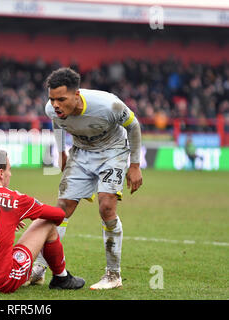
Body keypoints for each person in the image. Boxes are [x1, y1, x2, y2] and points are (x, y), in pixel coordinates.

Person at [29, 67, 143, 290]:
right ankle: (39, 268)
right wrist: (61, 152)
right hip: (81, 153)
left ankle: (113, 275)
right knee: (61, 209)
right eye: (52, 99)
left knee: (107, 207)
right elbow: (57, 124)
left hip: (113, 151)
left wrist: (135, 165)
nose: (55, 105)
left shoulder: (109, 105)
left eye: (61, 99)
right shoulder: (52, 109)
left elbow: (134, 126)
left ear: (77, 94)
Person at [0, 148, 85, 293]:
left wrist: (7, 221)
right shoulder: (16, 199)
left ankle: (52, 275)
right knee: (46, 222)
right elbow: (58, 215)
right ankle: (62, 277)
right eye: (9, 169)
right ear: (1, 173)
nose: (10, 173)